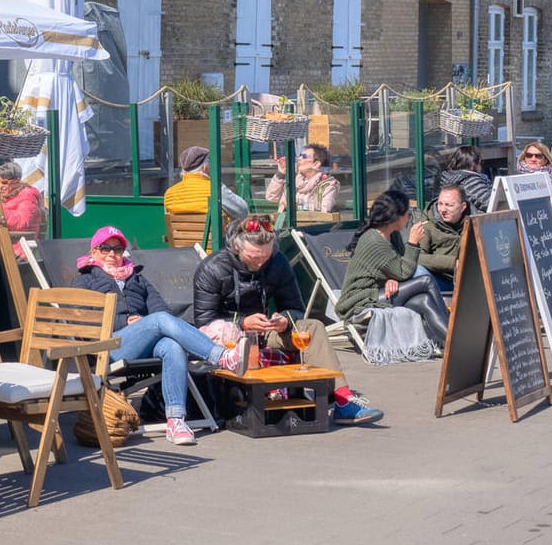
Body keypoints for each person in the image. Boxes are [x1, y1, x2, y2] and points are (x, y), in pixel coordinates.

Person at [192, 215, 383, 425]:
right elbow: (204, 322)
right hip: (228, 337)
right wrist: (243, 323)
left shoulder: (277, 262)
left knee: (313, 327)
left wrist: (284, 319)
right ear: (237, 247)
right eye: (254, 256)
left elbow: (296, 308)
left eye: (265, 256)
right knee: (233, 331)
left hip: (266, 329)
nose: (260, 262)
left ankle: (342, 400)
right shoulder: (212, 269)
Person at [70, 226, 241, 445]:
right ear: (94, 251)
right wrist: (125, 321)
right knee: (158, 320)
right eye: (105, 248)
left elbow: (162, 309)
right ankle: (221, 356)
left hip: (140, 342)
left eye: (118, 249)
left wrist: (146, 324)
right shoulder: (85, 280)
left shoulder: (137, 279)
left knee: (171, 345)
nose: (112, 254)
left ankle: (176, 420)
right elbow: (83, 319)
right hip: (109, 346)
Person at [336, 189, 447, 358]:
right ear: (395, 216)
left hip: (381, 292)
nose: (409, 217)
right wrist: (413, 242)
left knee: (423, 300)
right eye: (407, 213)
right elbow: (404, 271)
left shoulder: (390, 235)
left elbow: (397, 267)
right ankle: (455, 336)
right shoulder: (374, 240)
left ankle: (450, 344)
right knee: (425, 281)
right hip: (361, 299)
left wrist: (390, 277)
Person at [164, 145, 251, 219]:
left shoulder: (169, 194)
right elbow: (243, 211)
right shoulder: (215, 189)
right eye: (210, 162)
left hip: (182, 239)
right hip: (214, 239)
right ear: (204, 167)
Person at [414, 184, 468, 289]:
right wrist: (453, 263)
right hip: (441, 280)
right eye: (440, 204)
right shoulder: (426, 224)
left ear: (463, 207)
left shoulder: (474, 221)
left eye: (449, 205)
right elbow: (416, 257)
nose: (443, 210)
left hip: (469, 280)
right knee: (418, 272)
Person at [263, 142, 340, 214]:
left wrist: (293, 207)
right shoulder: (293, 181)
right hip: (287, 226)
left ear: (316, 164)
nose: (299, 159)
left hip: (312, 227)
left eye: (304, 156)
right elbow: (271, 197)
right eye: (299, 155)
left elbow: (325, 210)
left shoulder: (328, 184)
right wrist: (281, 174)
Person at [437, 145, 493, 216]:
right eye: (480, 162)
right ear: (473, 163)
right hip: (475, 222)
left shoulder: (447, 178)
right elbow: (489, 203)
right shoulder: (471, 180)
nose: (481, 166)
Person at [0, 161, 45, 236]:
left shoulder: (28, 195)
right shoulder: (5, 196)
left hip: (22, 244)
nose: (0, 186)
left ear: (17, 181)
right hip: (7, 242)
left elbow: (23, 222)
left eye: (4, 182)